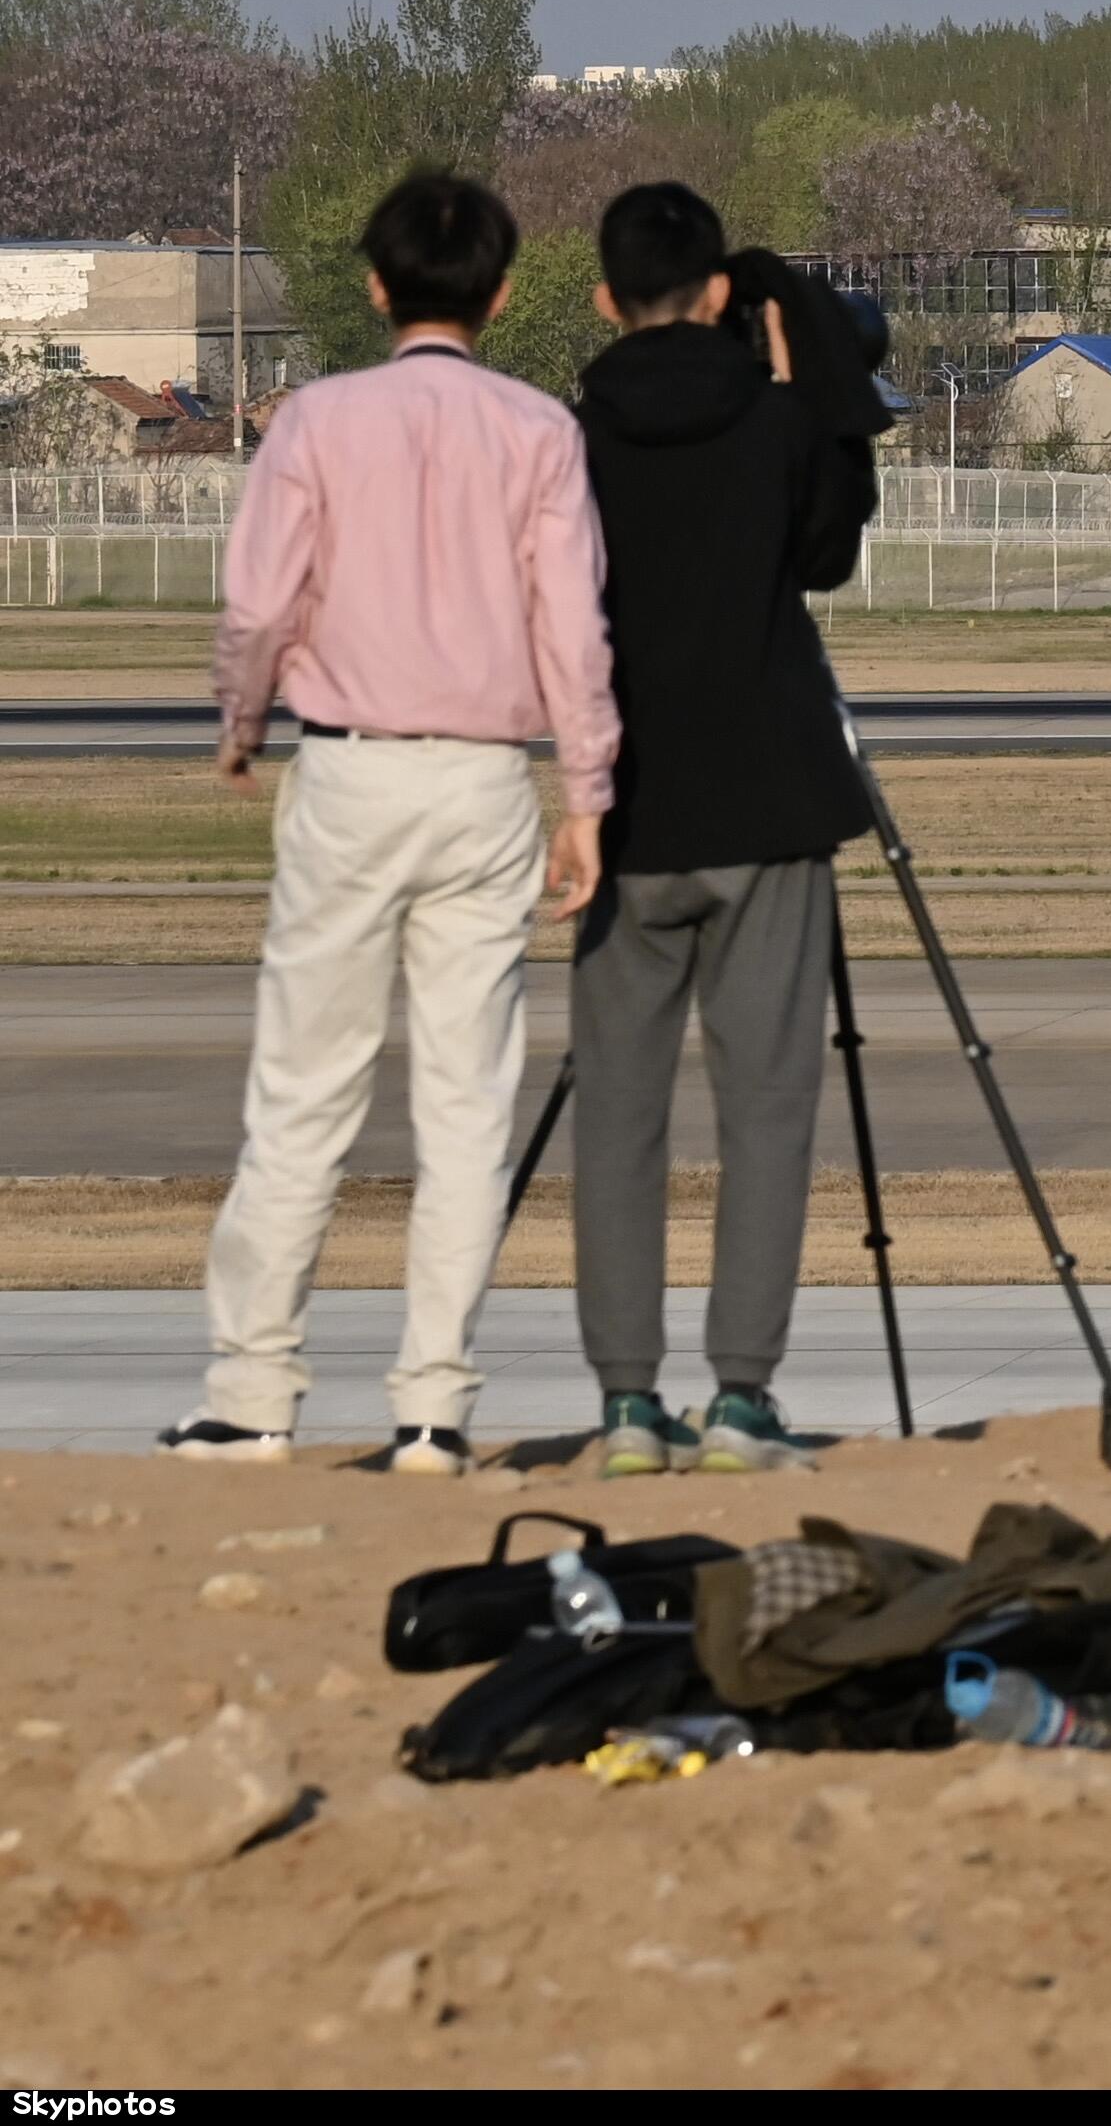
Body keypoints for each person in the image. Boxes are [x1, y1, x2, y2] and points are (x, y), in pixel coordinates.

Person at [173, 174, 616, 1475]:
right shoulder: (538, 429)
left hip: (350, 771)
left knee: (302, 1093)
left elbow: (260, 603)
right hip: (484, 778)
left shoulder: (315, 420)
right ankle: (433, 1404)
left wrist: (242, 721)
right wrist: (585, 792)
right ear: (501, 290)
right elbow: (571, 631)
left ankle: (253, 1392)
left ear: (376, 286)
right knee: (467, 1103)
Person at [567, 182, 886, 1477]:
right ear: (717, 295)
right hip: (767, 795)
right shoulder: (775, 424)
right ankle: (742, 1393)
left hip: (625, 801)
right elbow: (825, 559)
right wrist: (814, 393)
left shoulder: (567, 438)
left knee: (619, 1111)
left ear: (602, 299)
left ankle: (629, 1401)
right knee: (766, 1107)